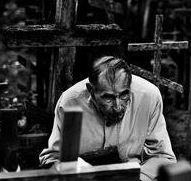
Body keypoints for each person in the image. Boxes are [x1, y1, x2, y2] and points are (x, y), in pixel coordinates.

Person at [39, 56, 176, 180]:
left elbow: (163, 157)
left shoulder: (149, 96)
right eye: (108, 97)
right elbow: (52, 159)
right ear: (91, 91)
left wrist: (139, 178)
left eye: (124, 95)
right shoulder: (70, 102)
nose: (117, 107)